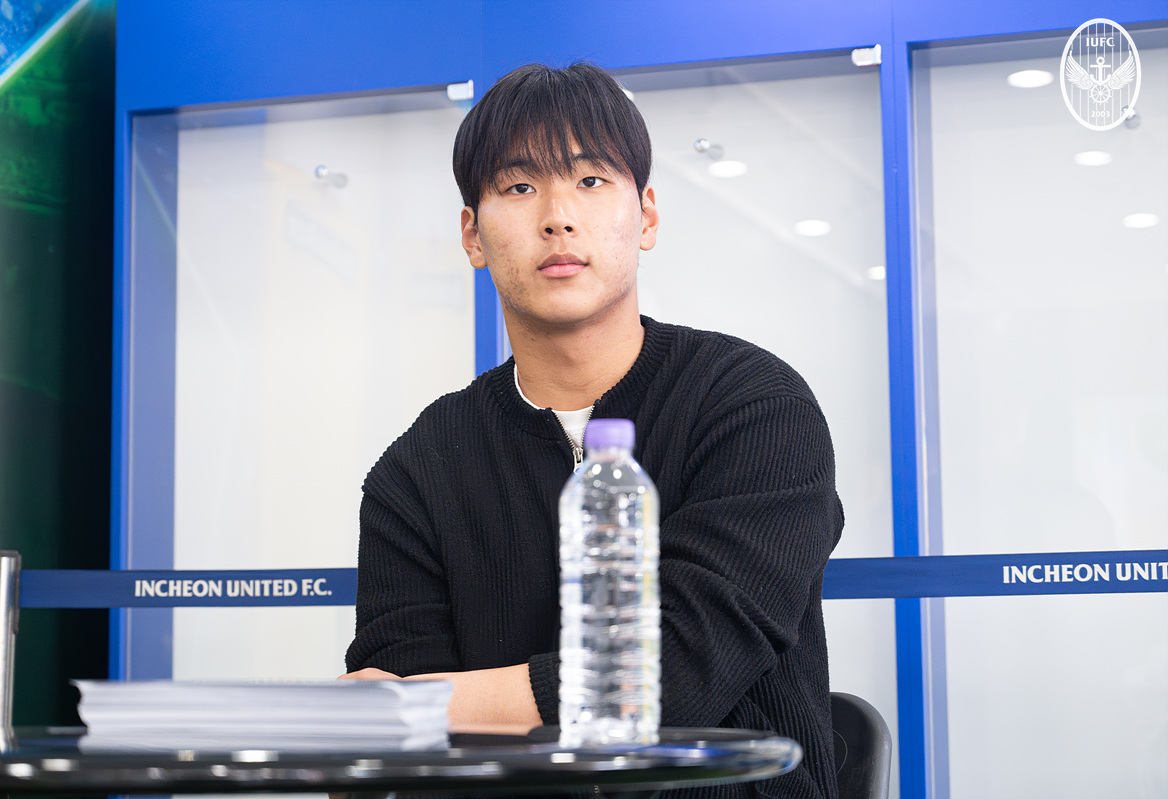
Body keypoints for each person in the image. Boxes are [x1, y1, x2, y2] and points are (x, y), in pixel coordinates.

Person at [343, 62, 843, 799]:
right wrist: (407, 713)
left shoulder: (753, 407)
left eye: (590, 179)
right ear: (472, 235)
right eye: (519, 187)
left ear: (646, 217)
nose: (557, 216)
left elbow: (674, 677)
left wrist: (430, 706)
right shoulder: (418, 470)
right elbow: (401, 758)